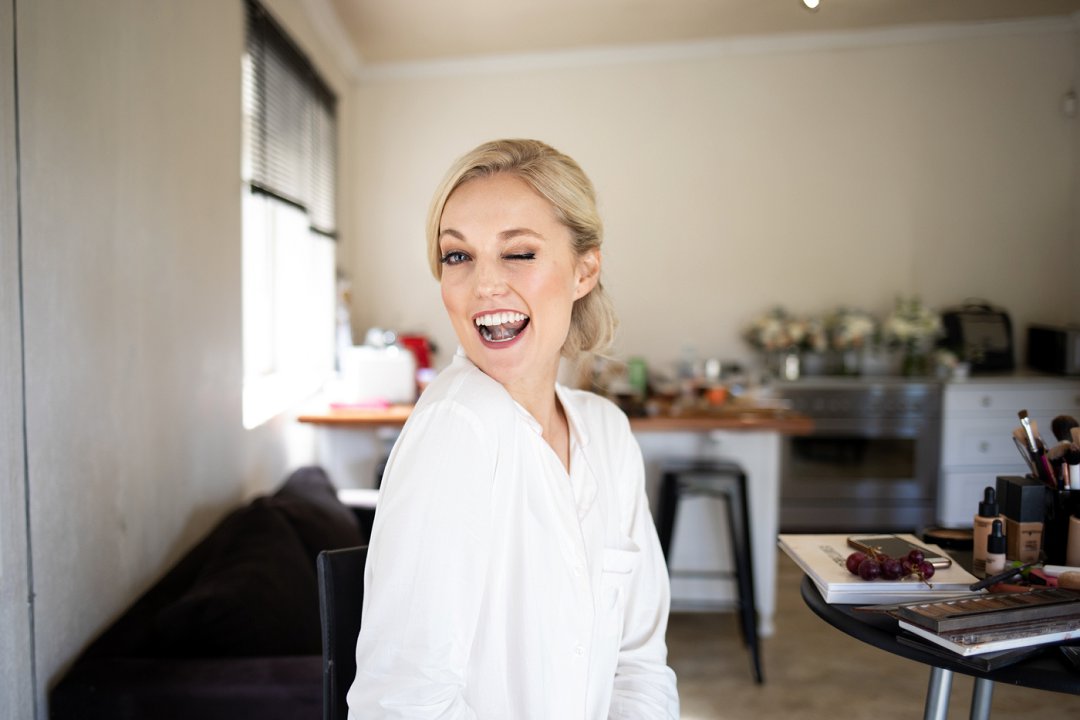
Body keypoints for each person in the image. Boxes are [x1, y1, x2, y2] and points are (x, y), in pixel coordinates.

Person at [349, 139, 679, 719]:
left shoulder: (605, 433)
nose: (484, 286)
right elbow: (400, 704)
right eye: (458, 257)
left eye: (518, 253)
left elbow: (639, 664)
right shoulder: (458, 431)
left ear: (584, 270)